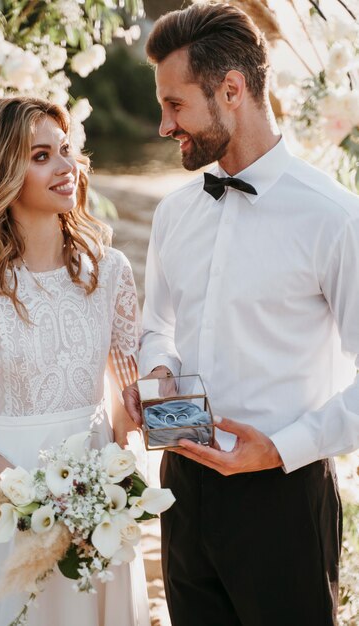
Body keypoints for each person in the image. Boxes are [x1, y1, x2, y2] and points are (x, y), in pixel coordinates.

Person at [123, 3, 359, 626]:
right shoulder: (176, 214)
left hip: (283, 498)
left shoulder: (334, 219)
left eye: (175, 105)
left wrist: (281, 449)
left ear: (232, 90)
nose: (163, 125)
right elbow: (158, 329)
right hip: (182, 482)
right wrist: (158, 379)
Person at [0, 96, 150, 626]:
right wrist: (26, 491)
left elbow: (125, 397)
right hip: (12, 501)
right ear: (0, 173)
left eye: (66, 150)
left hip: (100, 501)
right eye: (41, 156)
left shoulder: (111, 271)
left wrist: (124, 452)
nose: (66, 167)